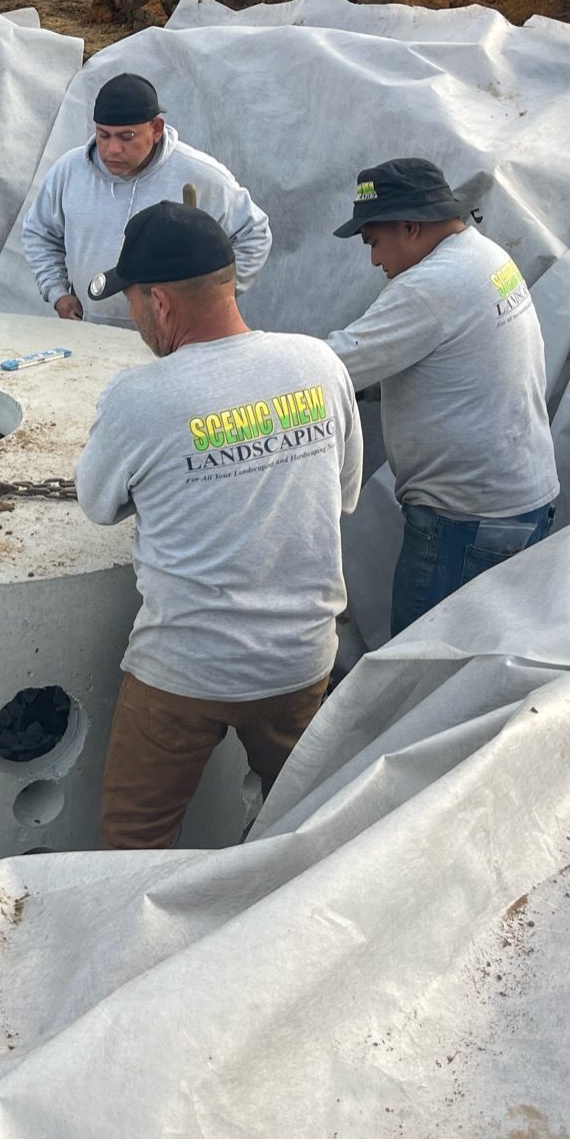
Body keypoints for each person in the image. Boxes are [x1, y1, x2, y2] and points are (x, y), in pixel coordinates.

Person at [76, 202, 362, 849]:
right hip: (299, 661)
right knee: (304, 831)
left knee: (132, 845)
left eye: (132, 302)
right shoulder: (318, 364)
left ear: (159, 302)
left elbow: (97, 505)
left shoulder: (139, 397)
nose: (133, 317)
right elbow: (342, 495)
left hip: (183, 671)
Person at [326, 157, 559, 638]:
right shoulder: (485, 257)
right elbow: (453, 362)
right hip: (516, 505)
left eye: (373, 242)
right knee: (476, 660)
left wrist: (246, 365)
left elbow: (326, 367)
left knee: (419, 668)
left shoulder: (430, 286)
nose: (374, 261)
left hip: (466, 525)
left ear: (409, 227)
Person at [21, 72, 271, 328]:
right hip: (90, 329)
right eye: (103, 135)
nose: (112, 149)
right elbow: (39, 232)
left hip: (174, 334)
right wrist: (57, 292)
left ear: (156, 129)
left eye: (127, 137)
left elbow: (253, 233)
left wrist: (211, 297)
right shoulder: (69, 172)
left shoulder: (200, 175)